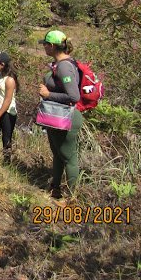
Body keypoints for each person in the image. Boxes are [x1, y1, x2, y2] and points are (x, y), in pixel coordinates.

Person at [38, 29, 82, 200]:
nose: (44, 47)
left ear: (51, 46)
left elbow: (73, 97)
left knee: (69, 158)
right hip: (56, 117)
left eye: (45, 44)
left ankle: (72, 198)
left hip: (66, 118)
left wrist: (48, 95)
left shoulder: (64, 66)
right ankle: (55, 189)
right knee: (58, 154)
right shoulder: (61, 64)